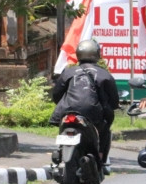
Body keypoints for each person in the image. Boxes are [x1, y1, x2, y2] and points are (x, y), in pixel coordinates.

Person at [50, 39, 119, 173]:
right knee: (105, 128)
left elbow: (56, 95)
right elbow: (114, 100)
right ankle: (101, 158)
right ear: (97, 54)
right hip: (92, 114)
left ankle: (60, 150)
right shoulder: (104, 75)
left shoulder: (68, 72)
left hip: (67, 111)